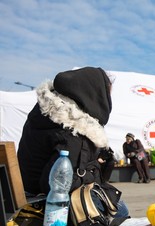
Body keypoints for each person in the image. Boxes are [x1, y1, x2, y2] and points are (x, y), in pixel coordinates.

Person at [17, 66, 129, 218]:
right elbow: (62, 184)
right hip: (45, 205)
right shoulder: (73, 129)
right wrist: (94, 167)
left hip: (26, 191)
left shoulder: (45, 112)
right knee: (120, 208)